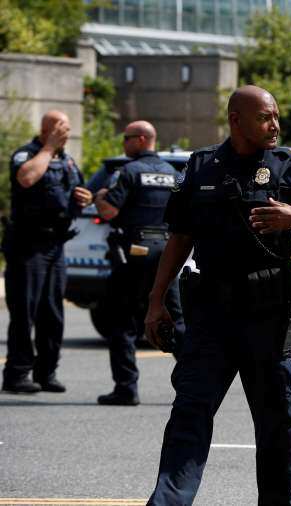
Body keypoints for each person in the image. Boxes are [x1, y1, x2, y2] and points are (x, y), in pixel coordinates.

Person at [144, 85, 291, 504]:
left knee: (275, 424)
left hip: (267, 316)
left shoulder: (289, 166)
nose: (275, 125)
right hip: (211, 314)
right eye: (265, 117)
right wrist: (156, 300)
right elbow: (180, 238)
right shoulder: (200, 167)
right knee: (189, 415)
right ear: (236, 119)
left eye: (275, 116)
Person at [93, 121, 185, 406]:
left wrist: (98, 199)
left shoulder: (129, 172)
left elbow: (109, 211)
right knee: (176, 320)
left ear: (142, 139)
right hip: (167, 254)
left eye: (127, 138)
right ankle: (192, 386)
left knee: (121, 320)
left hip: (134, 254)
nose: (124, 143)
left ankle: (126, 388)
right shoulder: (172, 174)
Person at [2, 111, 93, 394]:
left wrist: (85, 197)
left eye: (67, 129)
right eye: (60, 129)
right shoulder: (27, 154)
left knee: (52, 314)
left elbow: (79, 190)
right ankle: (17, 375)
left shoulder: (66, 159)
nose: (65, 133)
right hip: (27, 246)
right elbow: (26, 179)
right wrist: (49, 147)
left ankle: (46, 372)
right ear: (46, 130)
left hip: (56, 246)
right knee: (24, 312)